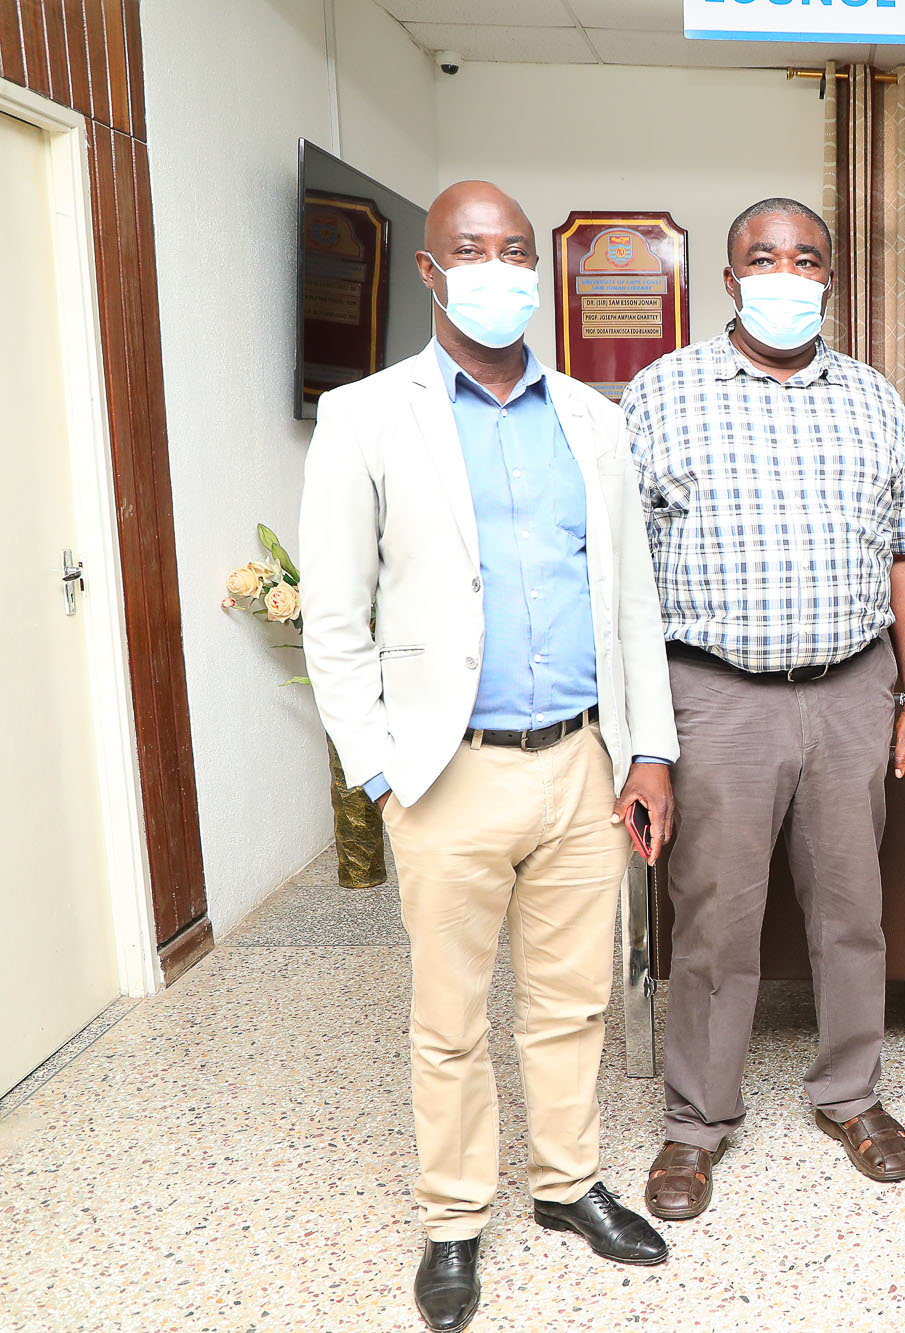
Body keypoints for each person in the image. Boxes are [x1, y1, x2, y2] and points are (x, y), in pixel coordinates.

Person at [299, 181, 676, 1333]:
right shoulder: (367, 415)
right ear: (429, 270)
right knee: (449, 1014)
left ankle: (566, 1184)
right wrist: (378, 764)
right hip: (444, 768)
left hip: (578, 762)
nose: (500, 268)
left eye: (516, 250)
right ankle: (454, 1217)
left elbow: (628, 603)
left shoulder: (592, 420)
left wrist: (646, 751)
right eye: (473, 249)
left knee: (571, 1002)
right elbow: (333, 612)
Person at [621, 198, 905, 1221]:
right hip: (715, 697)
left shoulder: (872, 397)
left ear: (828, 279)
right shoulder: (659, 393)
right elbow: (622, 574)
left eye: (806, 257)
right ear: (728, 279)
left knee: (853, 910)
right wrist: (644, 735)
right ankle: (696, 1119)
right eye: (762, 257)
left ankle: (850, 1095)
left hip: (851, 688)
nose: (785, 272)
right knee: (714, 919)